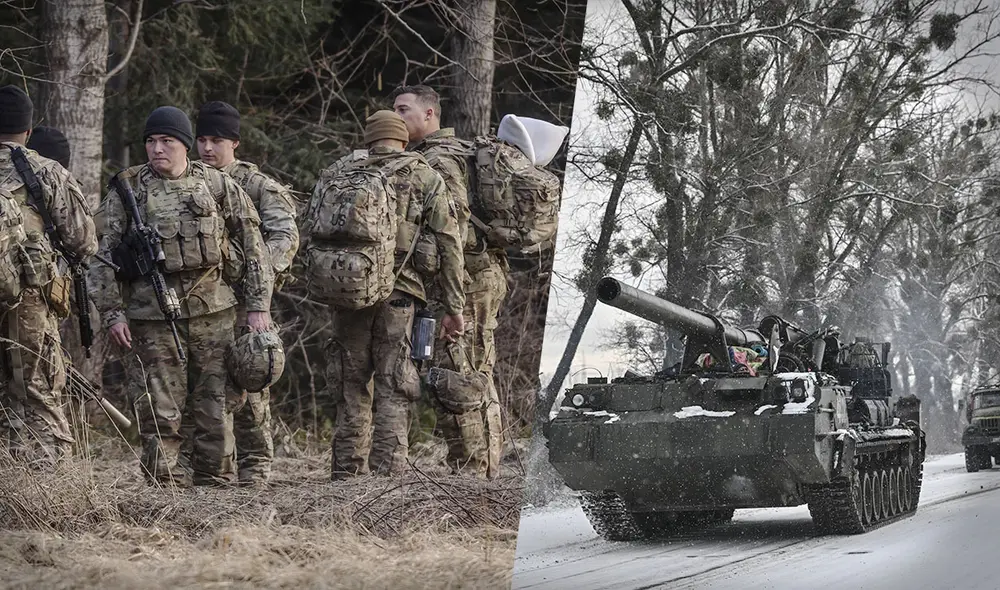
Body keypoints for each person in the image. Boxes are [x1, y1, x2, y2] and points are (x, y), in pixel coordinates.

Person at [90, 105, 273, 486]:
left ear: (185, 146)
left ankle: (215, 485)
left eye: (167, 141)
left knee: (216, 405)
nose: (157, 149)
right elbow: (101, 254)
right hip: (151, 317)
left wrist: (257, 306)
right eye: (151, 141)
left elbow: (253, 246)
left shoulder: (218, 185)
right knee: (159, 409)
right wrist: (113, 314)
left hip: (215, 314)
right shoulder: (128, 188)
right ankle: (165, 490)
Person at [306, 110, 465, 479]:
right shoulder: (424, 174)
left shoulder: (339, 173)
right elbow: (449, 243)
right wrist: (454, 306)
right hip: (400, 296)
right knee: (395, 386)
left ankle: (345, 474)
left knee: (350, 386)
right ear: (403, 139)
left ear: (369, 139)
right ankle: (386, 481)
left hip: (348, 293)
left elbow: (312, 228)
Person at [177, 100, 299, 485]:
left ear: (236, 144)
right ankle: (206, 465)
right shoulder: (186, 180)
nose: (208, 148)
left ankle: (256, 467)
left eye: (217, 140)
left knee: (250, 385)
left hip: (247, 304)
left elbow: (285, 236)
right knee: (202, 389)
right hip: (201, 305)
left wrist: (256, 277)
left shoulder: (257, 185)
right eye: (202, 139)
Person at [392, 84, 506, 479]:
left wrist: (451, 302)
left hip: (465, 279)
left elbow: (452, 229)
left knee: (458, 377)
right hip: (470, 277)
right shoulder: (446, 154)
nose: (397, 117)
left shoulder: (439, 160)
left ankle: (472, 475)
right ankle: (486, 469)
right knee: (474, 372)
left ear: (430, 115)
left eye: (404, 110)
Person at [0, 85, 98, 466]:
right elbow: (83, 241)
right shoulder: (45, 171)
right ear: (27, 131)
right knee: (37, 390)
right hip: (30, 301)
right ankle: (51, 489)